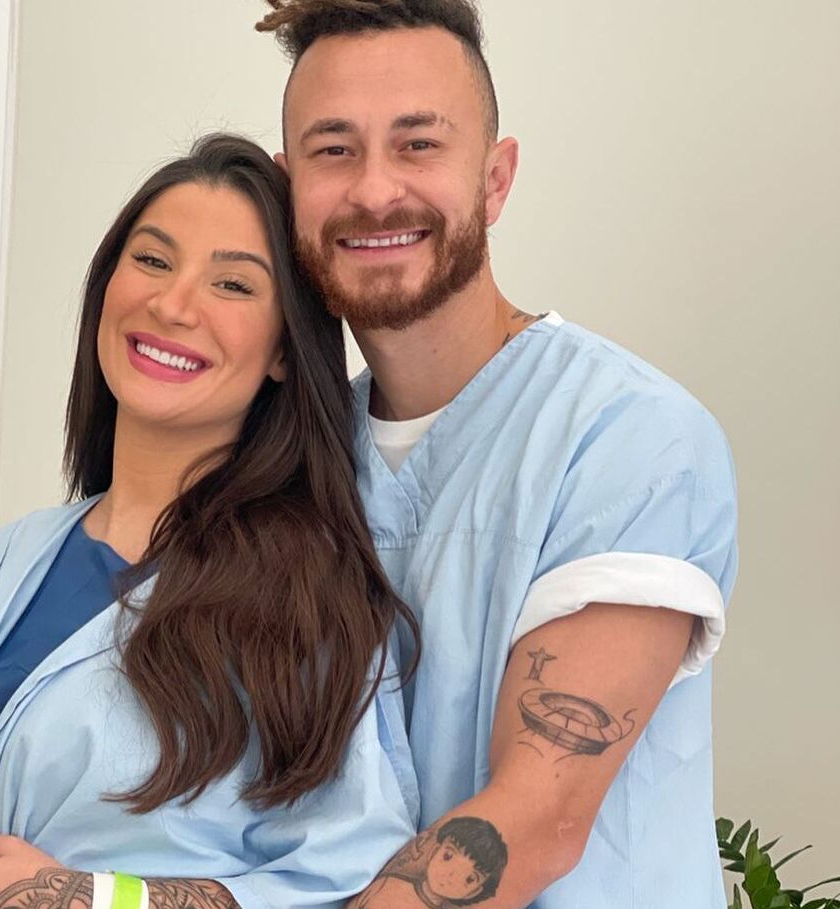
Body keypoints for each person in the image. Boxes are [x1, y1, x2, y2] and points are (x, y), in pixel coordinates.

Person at [0, 134, 421, 909]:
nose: (172, 304)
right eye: (152, 259)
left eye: (233, 284)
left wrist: (86, 897)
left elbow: (343, 883)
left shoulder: (316, 608)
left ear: (285, 348)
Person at [259, 1, 740, 907]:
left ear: (495, 179)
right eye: (334, 150)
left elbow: (535, 823)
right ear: (288, 189)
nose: (374, 190)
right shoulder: (292, 465)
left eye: (418, 144)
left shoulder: (629, 438)